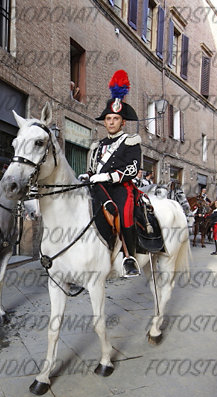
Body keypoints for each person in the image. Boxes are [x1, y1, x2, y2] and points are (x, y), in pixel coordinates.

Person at [79, 70, 141, 277]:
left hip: (120, 188)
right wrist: (87, 176)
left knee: (124, 215)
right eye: (108, 118)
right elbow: (92, 168)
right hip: (98, 188)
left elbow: (133, 169)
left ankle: (128, 257)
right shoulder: (97, 145)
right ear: (104, 122)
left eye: (115, 118)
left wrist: (107, 177)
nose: (111, 122)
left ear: (122, 122)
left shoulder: (131, 141)